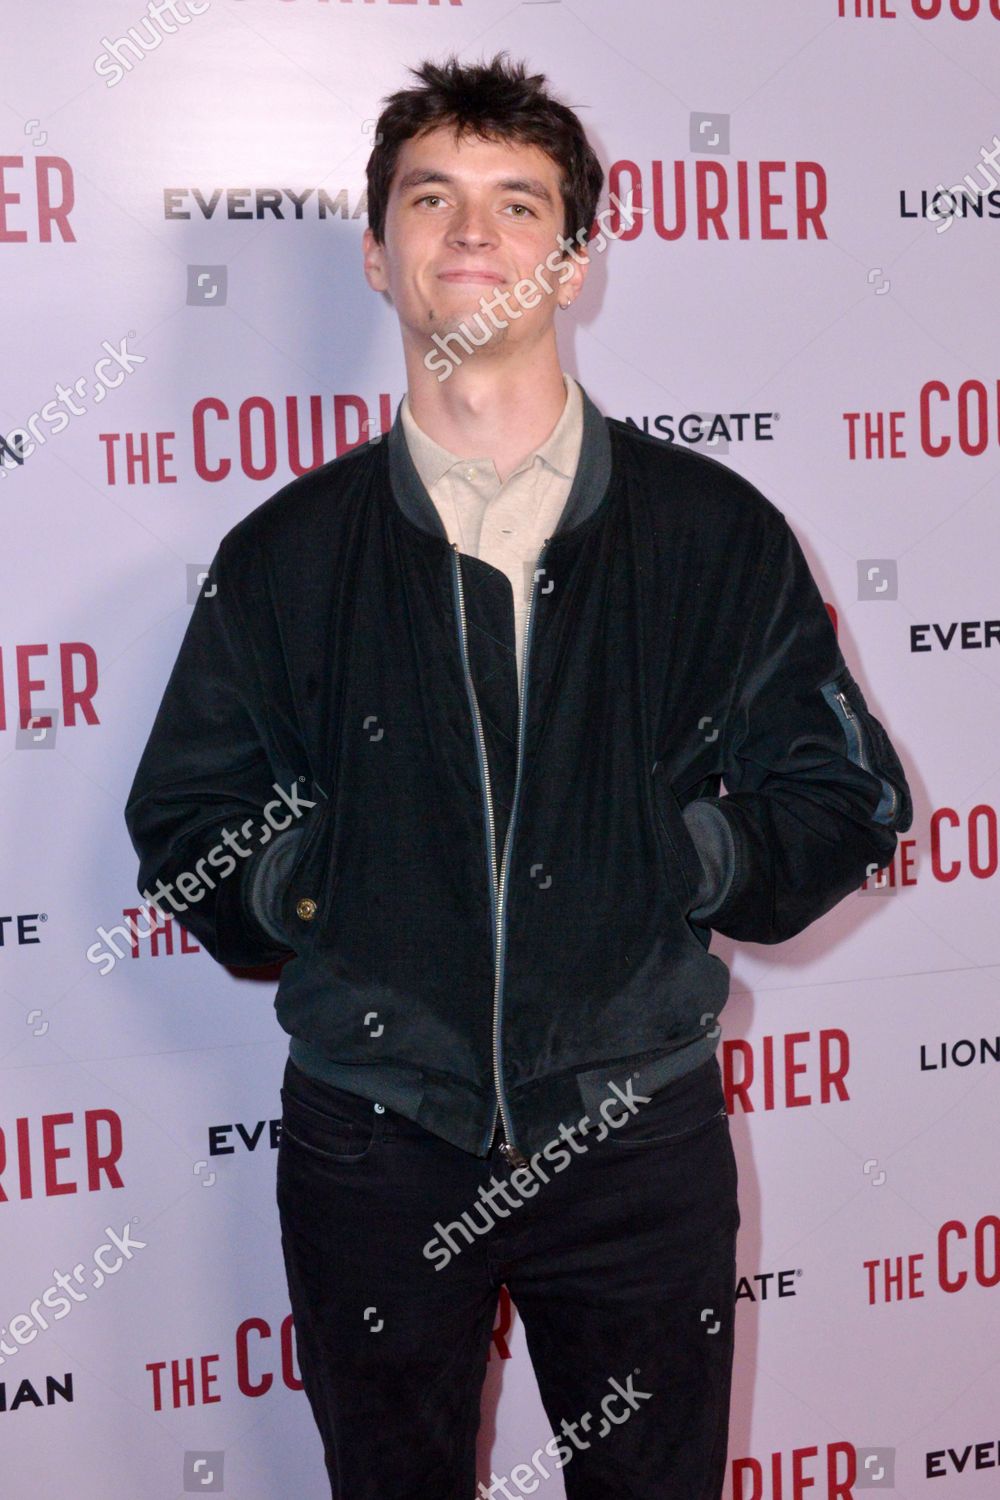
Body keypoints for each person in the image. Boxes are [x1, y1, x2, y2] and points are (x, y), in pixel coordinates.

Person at [124, 51, 913, 1500]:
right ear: (377, 254)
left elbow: (846, 802)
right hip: (375, 1146)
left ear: (575, 261)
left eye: (516, 202)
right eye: (433, 198)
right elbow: (183, 827)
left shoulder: (712, 534)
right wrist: (317, 885)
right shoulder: (288, 555)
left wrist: (685, 862)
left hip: (635, 1146)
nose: (472, 232)